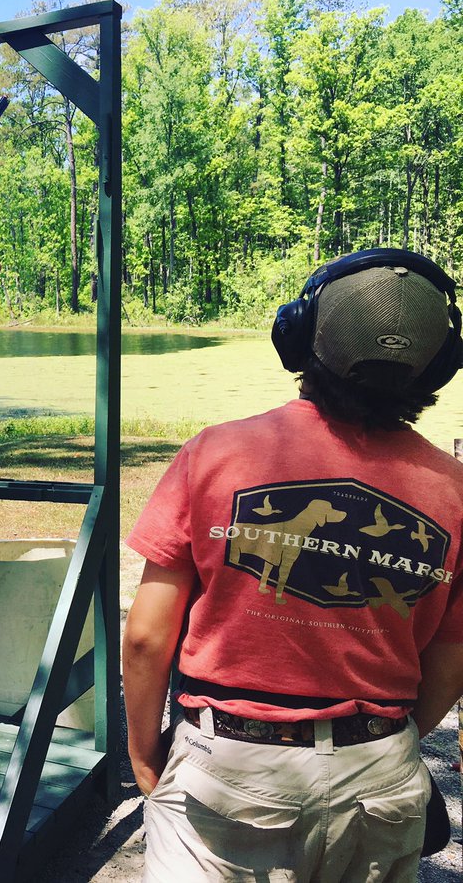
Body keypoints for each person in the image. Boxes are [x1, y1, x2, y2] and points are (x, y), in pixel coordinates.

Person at [122, 248, 463, 881]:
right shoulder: (457, 489)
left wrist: (146, 761)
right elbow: (450, 660)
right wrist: (385, 743)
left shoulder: (215, 454)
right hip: (380, 771)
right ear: (438, 366)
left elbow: (145, 637)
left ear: (300, 337)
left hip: (227, 765)